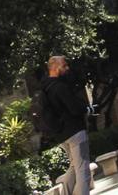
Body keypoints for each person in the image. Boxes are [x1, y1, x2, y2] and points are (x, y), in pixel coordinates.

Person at [42, 55, 91, 195]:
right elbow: (75, 108)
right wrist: (87, 109)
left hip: (61, 134)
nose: (67, 68)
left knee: (75, 166)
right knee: (83, 169)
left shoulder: (45, 88)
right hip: (75, 131)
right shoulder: (60, 87)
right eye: (64, 66)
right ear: (56, 68)